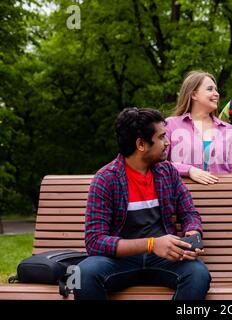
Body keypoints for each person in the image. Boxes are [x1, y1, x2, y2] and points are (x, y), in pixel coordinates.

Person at [74, 107, 211, 300]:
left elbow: (189, 213)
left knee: (198, 275)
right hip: (120, 261)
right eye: (162, 137)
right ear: (141, 144)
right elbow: (95, 241)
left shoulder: (167, 173)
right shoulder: (106, 179)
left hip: (164, 259)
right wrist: (150, 244)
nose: (167, 142)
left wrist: (192, 233)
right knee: (83, 274)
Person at [166, 71, 232, 185]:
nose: (216, 94)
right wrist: (189, 170)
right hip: (183, 197)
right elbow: (158, 164)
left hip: (219, 197)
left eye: (216, 90)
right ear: (194, 94)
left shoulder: (228, 129)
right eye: (210, 89)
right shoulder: (171, 125)